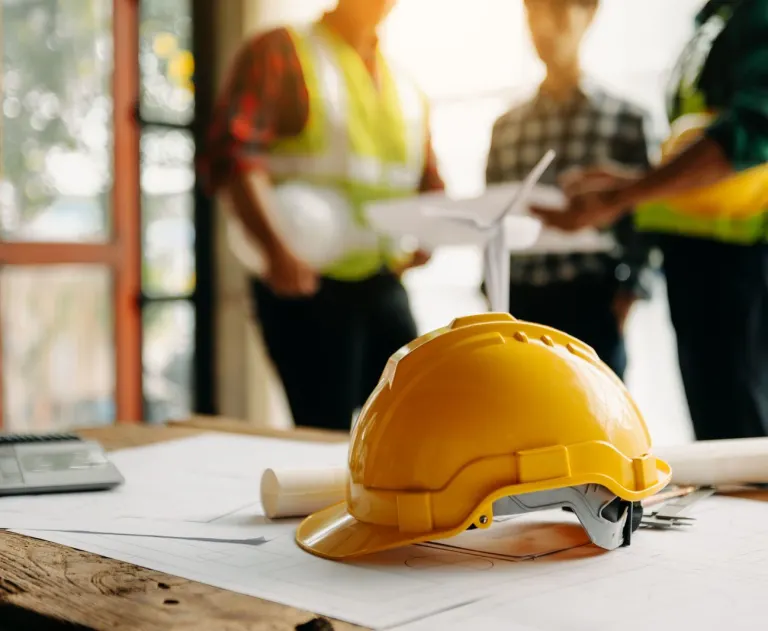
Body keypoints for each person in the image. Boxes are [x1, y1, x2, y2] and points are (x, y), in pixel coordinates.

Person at [198, 0, 445, 431]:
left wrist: (431, 230)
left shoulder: (406, 86)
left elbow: (428, 178)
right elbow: (234, 154)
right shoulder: (284, 50)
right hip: (305, 284)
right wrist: (276, 249)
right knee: (324, 433)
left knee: (416, 416)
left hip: (383, 277)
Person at [532, 0, 768, 440]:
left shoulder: (757, 14)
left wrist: (625, 194)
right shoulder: (714, 20)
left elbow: (752, 131)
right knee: (719, 430)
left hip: (741, 262)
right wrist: (633, 184)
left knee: (742, 438)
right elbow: (699, 138)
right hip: (696, 257)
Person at [484, 0, 654, 380]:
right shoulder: (505, 128)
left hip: (593, 302)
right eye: (533, 12)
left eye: (558, 10)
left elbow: (646, 224)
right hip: (520, 310)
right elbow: (491, 224)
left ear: (590, 14)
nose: (544, 26)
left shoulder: (628, 121)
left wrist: (628, 294)